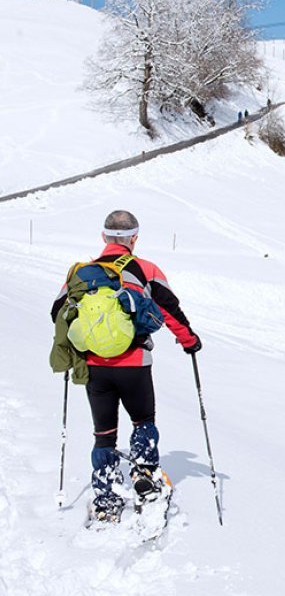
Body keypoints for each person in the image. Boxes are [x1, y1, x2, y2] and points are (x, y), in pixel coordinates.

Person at [49, 210, 201, 522]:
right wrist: (189, 341)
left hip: (94, 368)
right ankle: (144, 475)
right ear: (134, 238)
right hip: (135, 364)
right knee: (143, 421)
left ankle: (106, 495)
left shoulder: (80, 272)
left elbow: (58, 312)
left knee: (104, 433)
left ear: (104, 237)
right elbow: (169, 310)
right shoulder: (146, 269)